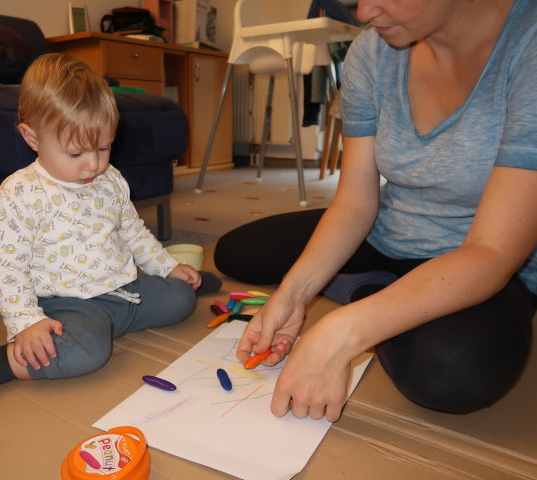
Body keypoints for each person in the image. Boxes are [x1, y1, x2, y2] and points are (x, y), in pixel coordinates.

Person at [215, 0, 537, 421]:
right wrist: (294, 296)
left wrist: (341, 330)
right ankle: (381, 291)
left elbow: (493, 250)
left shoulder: (527, 47)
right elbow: (354, 201)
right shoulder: (371, 51)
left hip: (487, 262)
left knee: (452, 375)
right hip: (391, 229)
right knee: (239, 252)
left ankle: (371, 295)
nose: (364, 12)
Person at [0, 53, 220, 416]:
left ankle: (182, 283)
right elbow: (8, 269)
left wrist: (167, 267)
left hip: (125, 291)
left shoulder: (110, 178)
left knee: (181, 299)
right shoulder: (20, 193)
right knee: (87, 353)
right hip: (67, 305)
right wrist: (26, 322)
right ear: (32, 137)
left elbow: (133, 231)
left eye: (103, 147)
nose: (94, 164)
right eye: (76, 152)